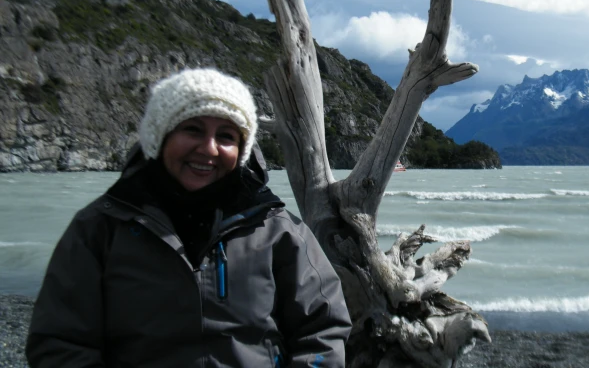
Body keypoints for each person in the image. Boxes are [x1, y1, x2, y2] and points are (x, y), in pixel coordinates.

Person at [26, 68, 351, 367]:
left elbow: (323, 330)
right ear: (160, 136)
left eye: (226, 136)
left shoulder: (277, 230)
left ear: (241, 150)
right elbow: (59, 342)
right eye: (192, 129)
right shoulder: (101, 227)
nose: (209, 149)